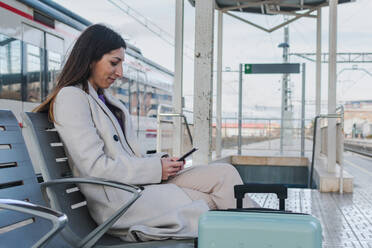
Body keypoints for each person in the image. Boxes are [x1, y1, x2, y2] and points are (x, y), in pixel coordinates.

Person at [34, 24, 258, 242]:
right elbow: (94, 167)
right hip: (121, 200)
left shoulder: (106, 100)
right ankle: (264, 234)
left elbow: (129, 157)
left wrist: (160, 163)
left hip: (137, 186)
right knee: (211, 201)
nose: (120, 73)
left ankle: (266, 229)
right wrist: (155, 169)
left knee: (224, 174)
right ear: (91, 58)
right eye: (114, 63)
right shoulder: (71, 97)